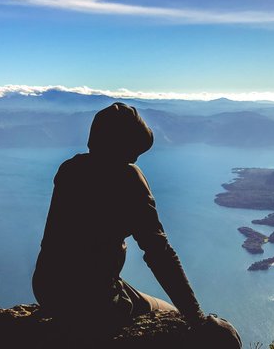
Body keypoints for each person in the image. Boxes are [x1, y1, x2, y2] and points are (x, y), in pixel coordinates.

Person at [32, 102, 206, 336]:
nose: (136, 157)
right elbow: (159, 252)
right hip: (95, 301)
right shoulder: (128, 179)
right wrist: (197, 318)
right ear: (127, 145)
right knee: (168, 310)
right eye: (135, 149)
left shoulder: (70, 169)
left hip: (48, 289)